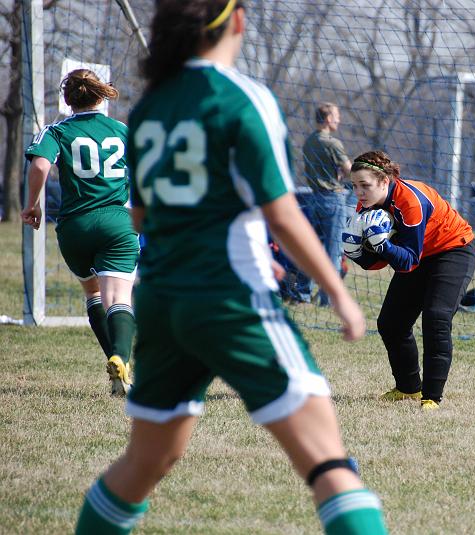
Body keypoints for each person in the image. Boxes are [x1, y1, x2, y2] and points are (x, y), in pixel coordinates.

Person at [74, 2, 387, 534]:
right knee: (328, 462)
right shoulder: (244, 97)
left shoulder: (151, 107)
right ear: (237, 22)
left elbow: (144, 214)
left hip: (163, 303)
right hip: (228, 300)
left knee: (145, 463)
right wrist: (338, 291)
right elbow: (283, 213)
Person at [22, 68, 138, 397]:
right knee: (119, 297)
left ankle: (119, 372)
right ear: (100, 95)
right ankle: (122, 357)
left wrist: (33, 205)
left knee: (94, 294)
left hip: (74, 227)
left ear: (68, 100)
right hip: (116, 221)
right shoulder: (121, 130)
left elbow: (40, 165)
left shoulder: (55, 132)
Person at [343, 150, 475, 411]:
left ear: (384, 181)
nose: (359, 193)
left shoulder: (410, 201)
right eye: (354, 186)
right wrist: (357, 254)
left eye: (365, 186)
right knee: (391, 323)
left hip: (452, 250)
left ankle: (431, 396)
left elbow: (407, 261)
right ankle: (408, 389)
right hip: (417, 255)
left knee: (436, 316)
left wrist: (381, 246)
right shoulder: (366, 207)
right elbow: (381, 261)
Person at [296, 102, 352, 306]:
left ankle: (302, 294)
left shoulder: (309, 141)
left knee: (311, 248)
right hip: (333, 199)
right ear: (328, 119)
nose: (339, 119)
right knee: (333, 250)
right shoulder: (333, 143)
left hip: (313, 199)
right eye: (337, 116)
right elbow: (349, 171)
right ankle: (327, 299)